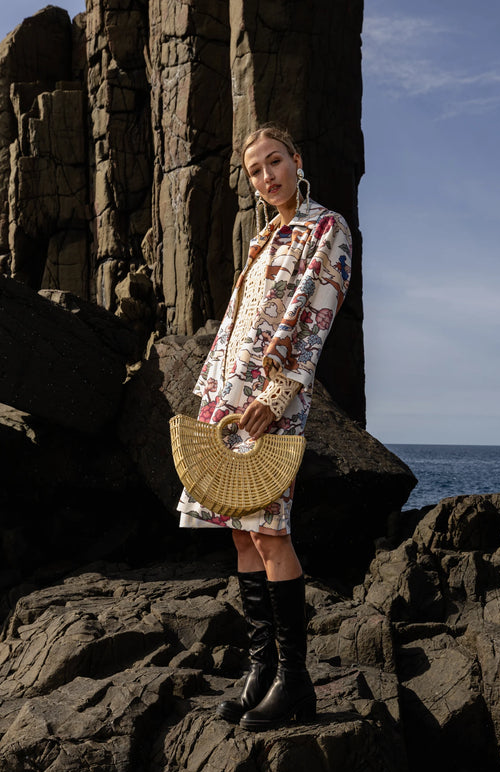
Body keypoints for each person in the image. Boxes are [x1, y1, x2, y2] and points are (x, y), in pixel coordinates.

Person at [178, 123, 352, 731]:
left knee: (271, 532)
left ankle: (295, 682)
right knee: (239, 532)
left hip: (272, 403)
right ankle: (261, 671)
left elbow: (317, 318)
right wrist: (211, 391)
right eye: (255, 170)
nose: (266, 176)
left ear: (296, 161)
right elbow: (235, 324)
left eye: (273, 162)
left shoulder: (324, 229)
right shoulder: (263, 239)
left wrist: (276, 396)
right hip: (229, 399)